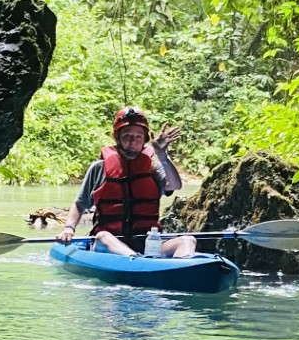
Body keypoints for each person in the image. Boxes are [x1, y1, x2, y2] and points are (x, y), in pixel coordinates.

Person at [55, 106, 200, 258]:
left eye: (138, 136)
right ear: (118, 138)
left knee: (188, 240)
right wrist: (69, 229)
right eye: (127, 136)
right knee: (103, 236)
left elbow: (175, 185)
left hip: (147, 243)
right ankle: (138, 261)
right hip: (108, 244)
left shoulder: (153, 167)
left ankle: (179, 270)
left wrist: (162, 155)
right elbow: (80, 204)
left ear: (145, 139)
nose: (133, 141)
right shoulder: (99, 168)